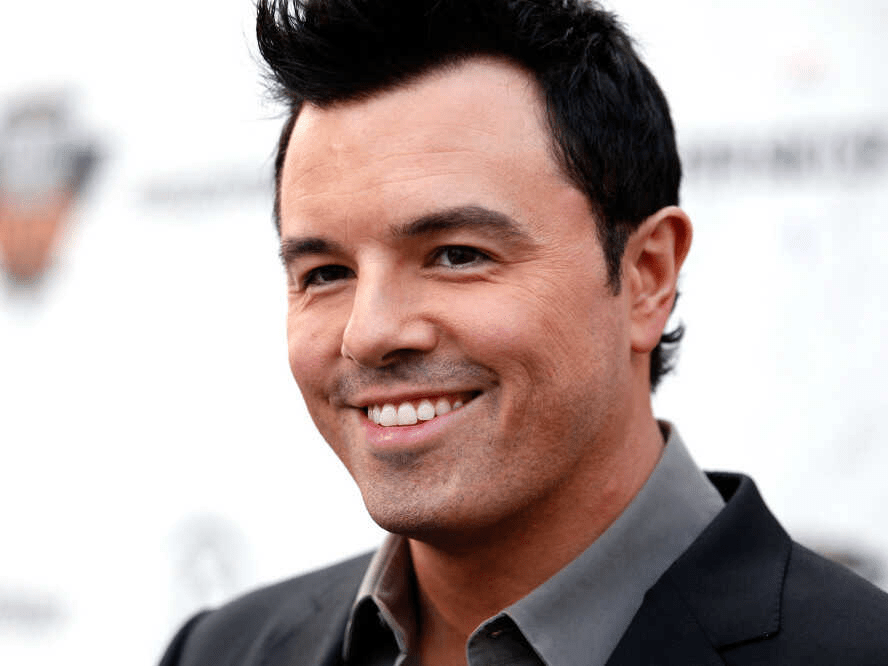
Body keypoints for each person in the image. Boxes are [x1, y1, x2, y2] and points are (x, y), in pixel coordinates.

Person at [160, 1, 888, 664]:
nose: (370, 333)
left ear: (647, 276)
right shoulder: (221, 652)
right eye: (324, 272)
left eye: (457, 255)